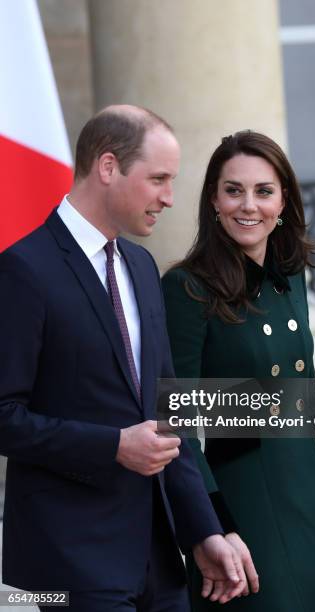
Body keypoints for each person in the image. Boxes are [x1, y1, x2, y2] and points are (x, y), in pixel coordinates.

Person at [0, 107, 259, 612]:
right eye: (158, 179)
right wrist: (112, 446)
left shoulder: (142, 267)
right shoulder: (22, 270)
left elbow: (170, 415)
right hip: (68, 564)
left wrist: (204, 531)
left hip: (161, 563)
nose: (168, 197)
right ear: (109, 166)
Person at [162, 130, 315, 611]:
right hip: (249, 506)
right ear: (213, 199)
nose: (247, 205)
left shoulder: (289, 274)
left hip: (314, 490)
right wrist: (213, 527)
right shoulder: (186, 288)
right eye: (233, 190)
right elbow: (180, 424)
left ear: (283, 201)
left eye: (263, 191)